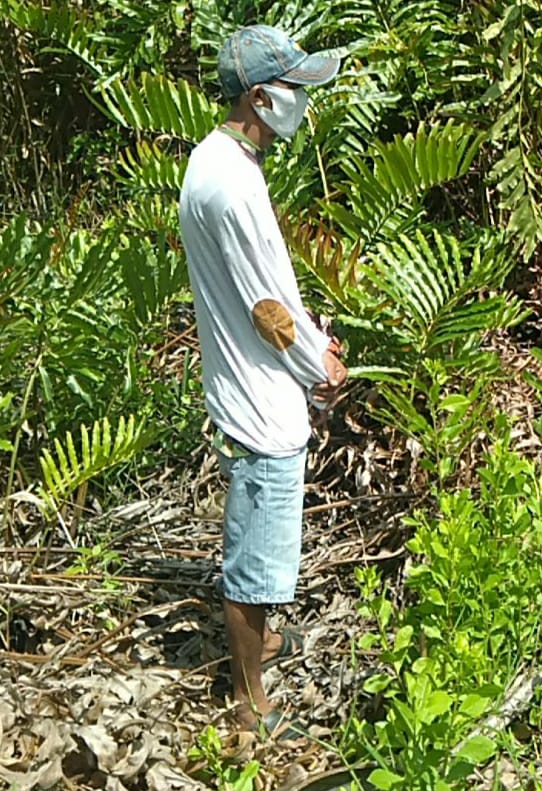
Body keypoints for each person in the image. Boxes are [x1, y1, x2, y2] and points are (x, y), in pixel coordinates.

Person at [178, 25, 347, 739]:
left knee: (257, 541)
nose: (303, 101)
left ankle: (262, 649)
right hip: (261, 405)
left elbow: (267, 294)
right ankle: (251, 700)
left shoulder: (210, 161)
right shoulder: (237, 187)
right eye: (296, 89)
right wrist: (323, 365)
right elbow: (267, 308)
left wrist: (310, 340)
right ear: (260, 96)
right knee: (254, 556)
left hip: (238, 385)